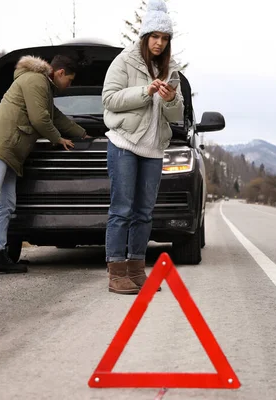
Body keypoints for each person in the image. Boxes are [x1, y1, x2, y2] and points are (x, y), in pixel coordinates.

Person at [0, 54, 91, 277]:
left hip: (11, 151)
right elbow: (40, 119)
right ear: (59, 73)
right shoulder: (36, 80)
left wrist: (83, 134)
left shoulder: (44, 89)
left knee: (6, 203)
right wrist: (58, 139)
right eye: (69, 79)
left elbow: (56, 117)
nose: (69, 85)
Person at [102, 0, 184, 295]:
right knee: (122, 210)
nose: (160, 43)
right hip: (124, 144)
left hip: (152, 150)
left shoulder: (171, 69)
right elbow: (109, 100)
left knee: (144, 213)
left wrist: (172, 98)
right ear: (145, 37)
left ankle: (137, 271)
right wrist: (145, 91)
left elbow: (177, 115)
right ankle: (116, 273)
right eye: (155, 37)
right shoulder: (124, 61)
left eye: (165, 39)